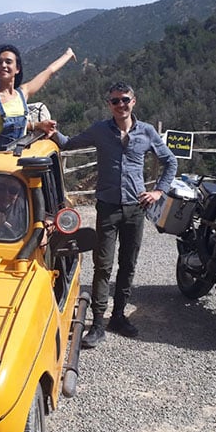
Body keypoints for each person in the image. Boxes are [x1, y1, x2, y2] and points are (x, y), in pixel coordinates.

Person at [52, 81, 178, 346]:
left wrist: (158, 191)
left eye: (125, 100)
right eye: (115, 101)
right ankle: (98, 323)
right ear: (109, 104)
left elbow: (170, 161)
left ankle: (118, 316)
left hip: (136, 208)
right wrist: (51, 132)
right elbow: (68, 144)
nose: (121, 105)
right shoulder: (100, 130)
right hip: (107, 207)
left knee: (128, 264)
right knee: (103, 265)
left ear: (134, 101)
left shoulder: (147, 132)